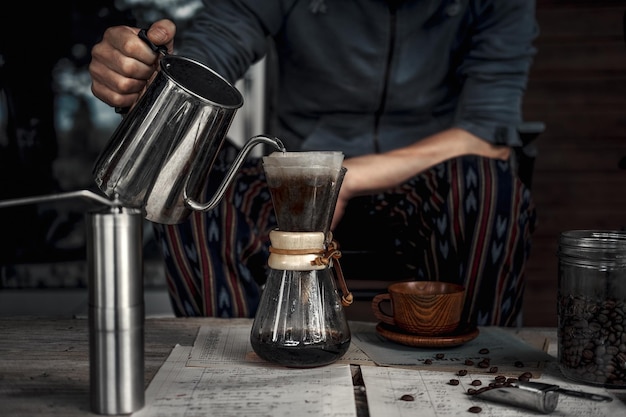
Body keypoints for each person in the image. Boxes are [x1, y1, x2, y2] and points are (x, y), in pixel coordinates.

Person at [89, 0, 539, 326]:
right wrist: (146, 73)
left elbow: (488, 134)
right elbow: (214, 49)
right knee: (194, 174)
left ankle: (478, 363)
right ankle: (225, 357)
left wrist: (343, 179)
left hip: (422, 175)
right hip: (295, 174)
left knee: (492, 184)